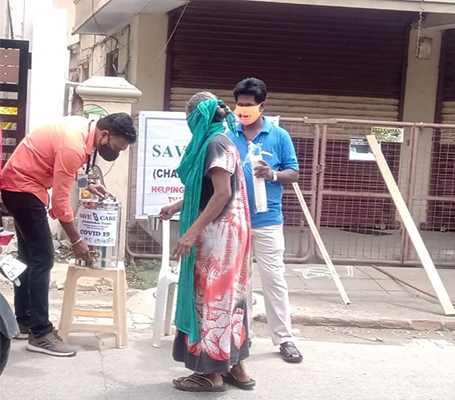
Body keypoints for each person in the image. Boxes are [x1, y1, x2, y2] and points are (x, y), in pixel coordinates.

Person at [0, 113, 136, 357]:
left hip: (19, 187)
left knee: (29, 258)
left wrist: (87, 185)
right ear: (104, 135)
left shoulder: (83, 129)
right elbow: (61, 203)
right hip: (23, 189)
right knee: (44, 259)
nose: (115, 153)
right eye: (116, 147)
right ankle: (40, 334)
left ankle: (25, 321)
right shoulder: (73, 144)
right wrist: (76, 239)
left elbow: (69, 169)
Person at [159, 92, 254, 392]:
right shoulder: (222, 140)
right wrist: (177, 206)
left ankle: (210, 374)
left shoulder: (215, 143)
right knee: (229, 298)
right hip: (230, 232)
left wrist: (190, 233)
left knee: (211, 298)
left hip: (218, 236)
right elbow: (210, 190)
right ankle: (236, 369)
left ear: (197, 118)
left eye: (189, 119)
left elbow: (222, 194)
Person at [227, 77, 303, 364]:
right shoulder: (228, 135)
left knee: (274, 279)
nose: (243, 110)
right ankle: (241, 336)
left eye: (249, 105)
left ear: (262, 106)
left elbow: (293, 173)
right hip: (236, 218)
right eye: (239, 105)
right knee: (239, 281)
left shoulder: (279, 136)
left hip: (268, 220)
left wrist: (272, 174)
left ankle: (284, 339)